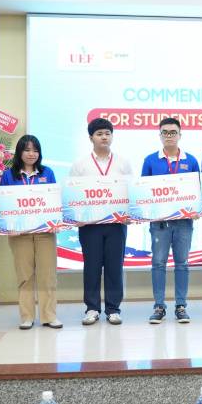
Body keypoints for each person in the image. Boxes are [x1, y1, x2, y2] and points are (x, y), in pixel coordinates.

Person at [69, 118, 132, 326]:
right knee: (92, 266)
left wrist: (130, 214)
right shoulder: (80, 164)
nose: (104, 137)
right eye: (99, 134)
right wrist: (75, 217)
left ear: (112, 136)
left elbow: (130, 191)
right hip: (90, 225)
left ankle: (113, 309)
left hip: (116, 224)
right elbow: (72, 193)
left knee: (115, 267)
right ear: (91, 138)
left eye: (107, 133)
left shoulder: (123, 163)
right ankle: (92, 308)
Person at [141, 117, 200, 324]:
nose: (169, 136)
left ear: (180, 135)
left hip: (184, 222)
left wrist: (196, 209)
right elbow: (144, 190)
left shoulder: (191, 160)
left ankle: (181, 306)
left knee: (182, 263)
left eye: (173, 132)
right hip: (160, 223)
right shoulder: (150, 160)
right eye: (165, 132)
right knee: (158, 263)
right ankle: (159, 306)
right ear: (160, 135)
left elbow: (197, 189)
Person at [0, 135, 62, 329]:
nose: (31, 154)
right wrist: (8, 225)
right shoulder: (9, 175)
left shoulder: (47, 172)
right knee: (25, 275)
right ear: (19, 152)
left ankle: (49, 316)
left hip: (45, 232)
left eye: (35, 150)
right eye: (27, 150)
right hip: (20, 234)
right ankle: (27, 316)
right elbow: (3, 203)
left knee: (47, 275)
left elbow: (54, 200)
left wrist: (55, 221)